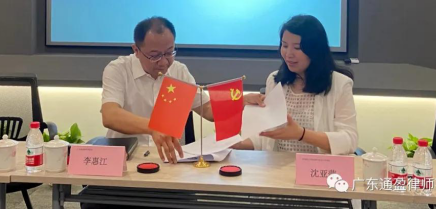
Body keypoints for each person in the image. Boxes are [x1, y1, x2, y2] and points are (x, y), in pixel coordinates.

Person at [101, 16, 263, 164]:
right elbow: (110, 115)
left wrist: (240, 101)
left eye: (169, 52)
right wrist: (153, 127)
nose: (163, 62)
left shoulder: (179, 72)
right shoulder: (118, 70)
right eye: (155, 55)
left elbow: (207, 110)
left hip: (172, 161)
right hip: (127, 160)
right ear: (136, 50)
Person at [234, 15, 358, 155]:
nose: (288, 54)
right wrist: (239, 143)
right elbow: (267, 138)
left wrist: (301, 134)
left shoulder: (340, 84)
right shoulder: (275, 81)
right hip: (276, 166)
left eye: (297, 48)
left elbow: (349, 140)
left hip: (318, 166)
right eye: (284, 45)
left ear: (315, 50)